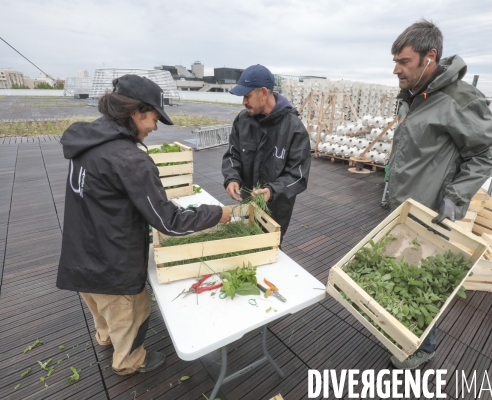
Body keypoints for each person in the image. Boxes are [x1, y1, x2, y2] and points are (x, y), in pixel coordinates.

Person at [56, 75, 232, 375]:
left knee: (100, 307)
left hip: (79, 253)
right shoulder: (129, 159)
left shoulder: (87, 141)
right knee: (132, 311)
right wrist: (217, 214)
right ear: (135, 112)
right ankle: (128, 361)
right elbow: (170, 222)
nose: (155, 126)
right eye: (153, 117)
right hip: (112, 262)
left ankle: (105, 337)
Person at [387, 20, 492, 369]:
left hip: (430, 211)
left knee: (421, 281)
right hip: (401, 207)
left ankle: (426, 347)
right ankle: (403, 333)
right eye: (395, 61)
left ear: (429, 57)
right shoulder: (413, 96)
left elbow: (484, 152)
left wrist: (455, 196)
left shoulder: (459, 100)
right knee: (398, 271)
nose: (396, 70)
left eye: (404, 61)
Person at [222, 64, 311, 242]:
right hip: (247, 202)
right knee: (245, 243)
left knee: (269, 248)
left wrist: (272, 190)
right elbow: (233, 154)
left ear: (263, 93)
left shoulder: (294, 128)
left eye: (247, 96)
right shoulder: (242, 120)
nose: (243, 102)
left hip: (276, 208)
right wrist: (232, 178)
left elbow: (298, 175)